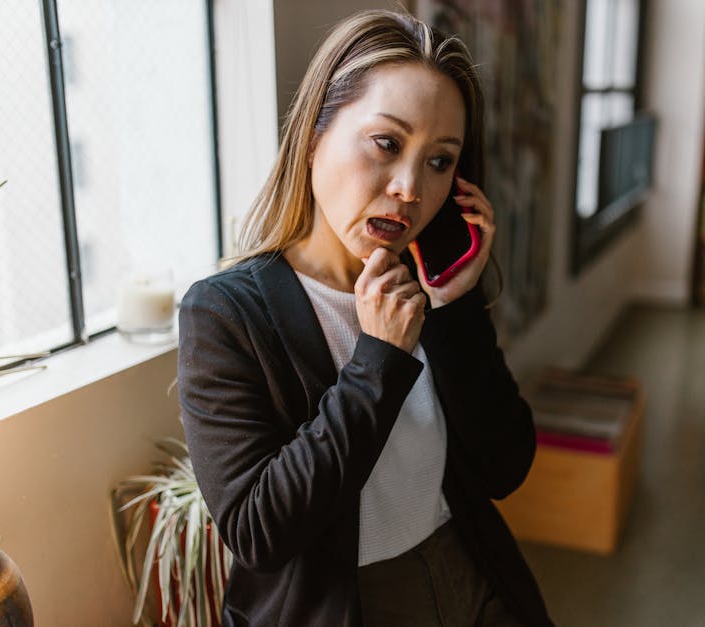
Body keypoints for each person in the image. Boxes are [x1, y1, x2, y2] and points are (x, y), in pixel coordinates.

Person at [177, 9, 552, 626]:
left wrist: (457, 310)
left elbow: (504, 467)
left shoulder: (430, 294)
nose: (409, 188)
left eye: (439, 161)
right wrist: (377, 362)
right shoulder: (224, 312)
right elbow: (259, 530)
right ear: (315, 132)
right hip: (345, 608)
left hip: (472, 580)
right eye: (386, 142)